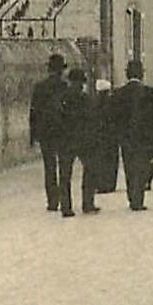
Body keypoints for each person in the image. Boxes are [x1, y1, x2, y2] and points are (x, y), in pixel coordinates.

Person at [110, 59, 153, 211]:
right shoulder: (149, 92)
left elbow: (113, 117)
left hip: (126, 137)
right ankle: (138, 198)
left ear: (127, 74)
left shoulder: (119, 93)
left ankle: (132, 197)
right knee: (142, 167)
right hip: (145, 137)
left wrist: (116, 134)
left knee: (129, 166)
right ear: (141, 74)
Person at [56, 67, 102, 217]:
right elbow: (93, 119)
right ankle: (87, 203)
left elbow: (57, 120)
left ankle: (66, 206)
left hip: (65, 140)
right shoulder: (86, 99)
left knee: (64, 175)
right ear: (82, 83)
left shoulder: (62, 99)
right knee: (90, 170)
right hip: (84, 141)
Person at [29, 52, 69, 211]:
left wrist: (33, 134)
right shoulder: (65, 87)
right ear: (61, 70)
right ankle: (63, 197)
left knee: (49, 166)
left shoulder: (39, 87)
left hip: (45, 132)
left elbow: (34, 112)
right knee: (63, 165)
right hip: (62, 130)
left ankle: (52, 200)